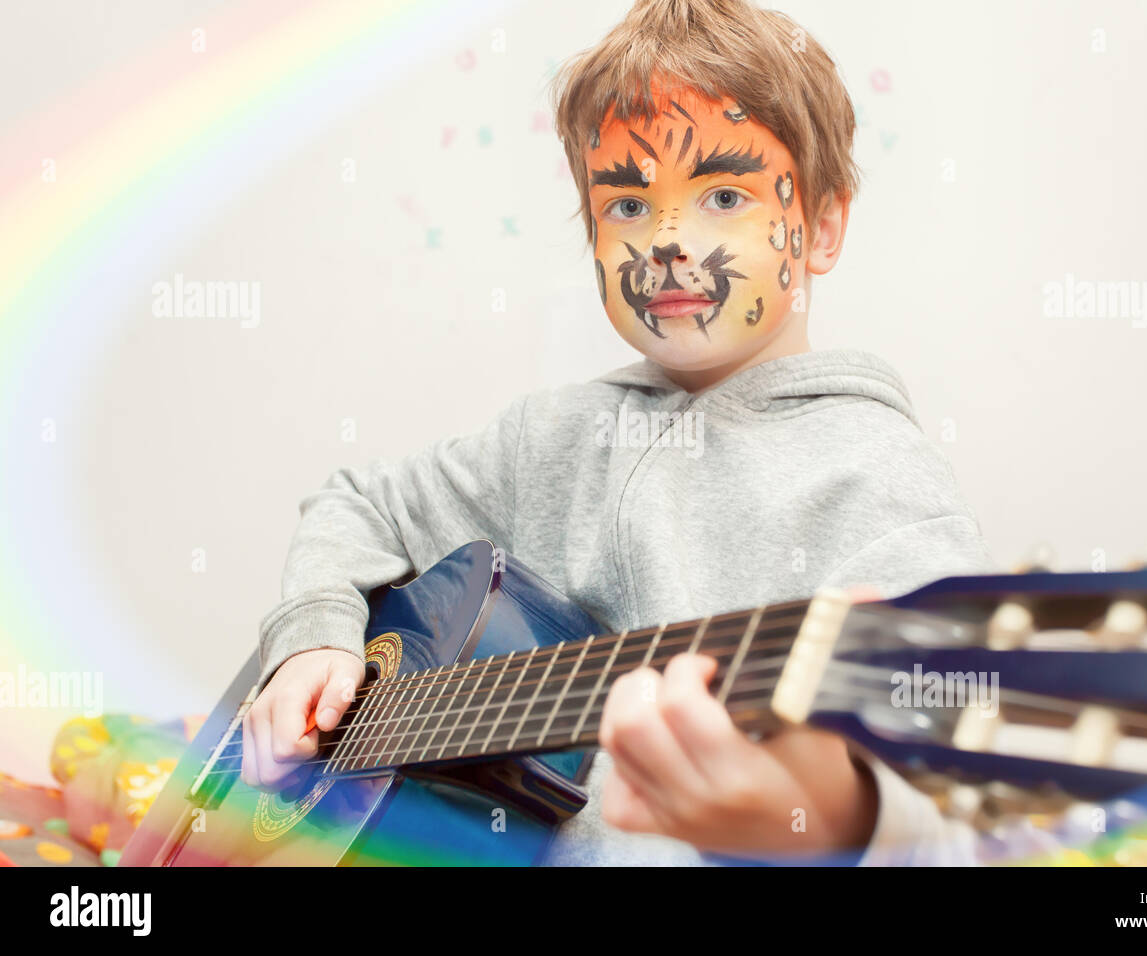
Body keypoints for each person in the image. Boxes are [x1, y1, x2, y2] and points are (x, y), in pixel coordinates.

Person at [241, 0, 995, 865]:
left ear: (821, 224)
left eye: (722, 194)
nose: (669, 242)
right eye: (630, 204)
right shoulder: (549, 438)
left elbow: (951, 799)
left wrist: (837, 813)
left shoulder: (883, 487)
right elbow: (357, 503)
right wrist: (313, 641)